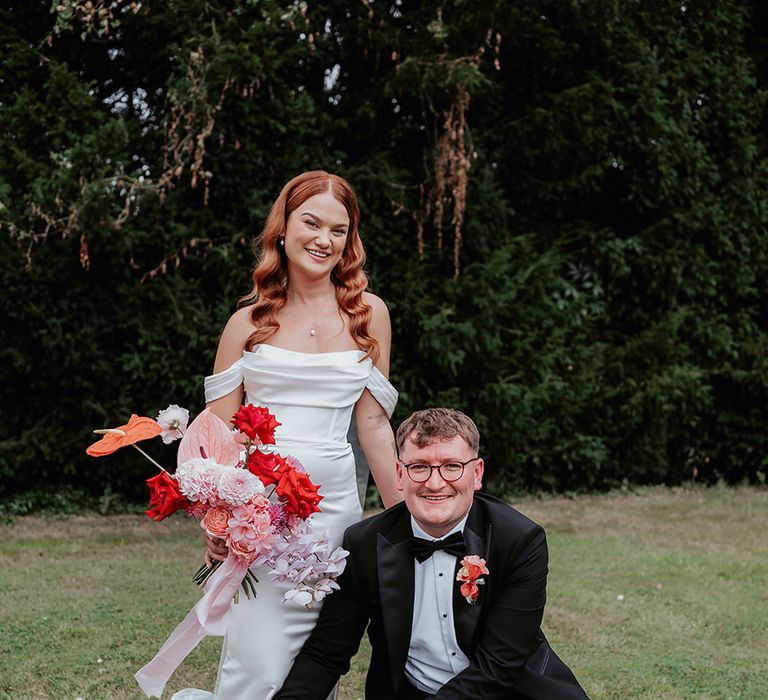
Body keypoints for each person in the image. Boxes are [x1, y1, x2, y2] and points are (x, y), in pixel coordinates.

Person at [172, 171, 401, 700]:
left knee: (315, 666)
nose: (324, 240)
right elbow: (218, 434)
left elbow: (373, 425)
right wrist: (219, 519)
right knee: (260, 663)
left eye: (339, 230)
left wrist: (408, 522)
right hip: (263, 517)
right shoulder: (246, 322)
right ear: (283, 228)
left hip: (336, 515)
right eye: (312, 223)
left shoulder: (369, 316)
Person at [274, 408, 590, 700]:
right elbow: (327, 653)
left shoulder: (519, 540)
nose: (435, 483)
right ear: (400, 474)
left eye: (452, 466)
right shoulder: (365, 544)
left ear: (477, 473)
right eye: (419, 467)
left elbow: (498, 666)